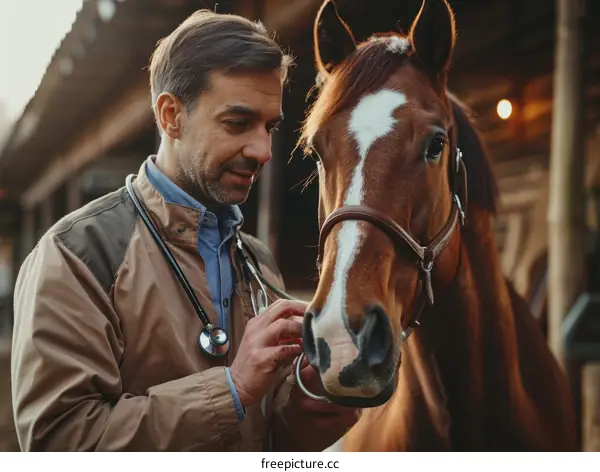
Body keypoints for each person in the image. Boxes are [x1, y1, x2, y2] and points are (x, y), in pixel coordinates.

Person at [10, 9, 359, 452]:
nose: (263, 150)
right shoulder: (76, 256)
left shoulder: (257, 261)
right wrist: (231, 389)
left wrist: (313, 406)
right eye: (237, 123)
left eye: (269, 126)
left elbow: (268, 442)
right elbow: (59, 446)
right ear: (171, 116)